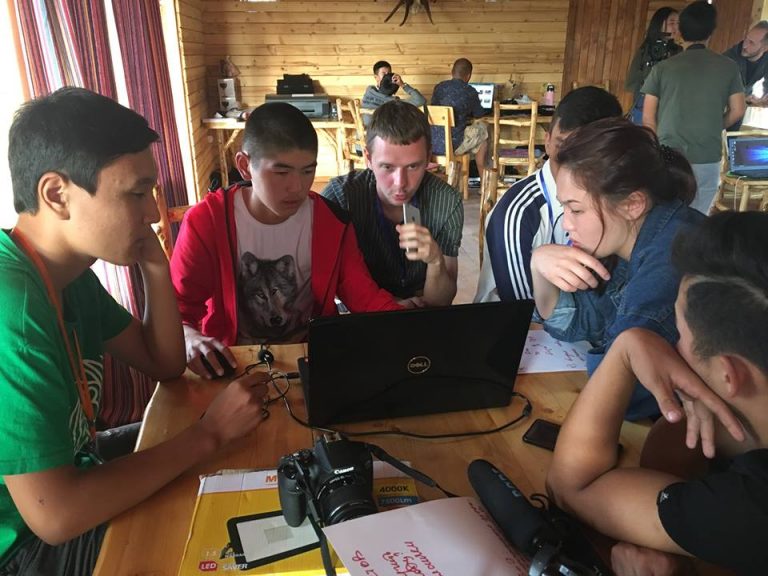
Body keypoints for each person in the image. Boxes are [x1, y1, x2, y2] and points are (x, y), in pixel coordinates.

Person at [0, 87, 271, 575]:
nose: (151, 213)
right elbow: (56, 516)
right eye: (136, 193)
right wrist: (208, 434)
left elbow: (163, 362)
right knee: (221, 534)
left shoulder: (66, 274)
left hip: (75, 474)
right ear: (57, 194)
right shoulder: (12, 306)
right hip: (21, 546)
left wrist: (156, 267)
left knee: (240, 467)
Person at [547, 211, 768, 575]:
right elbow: (677, 450)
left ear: (729, 375)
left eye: (679, 335)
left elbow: (572, 488)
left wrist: (627, 348)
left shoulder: (747, 509)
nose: (671, 347)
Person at [171, 102, 401, 378]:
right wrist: (189, 337)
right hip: (232, 365)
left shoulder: (331, 222)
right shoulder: (207, 221)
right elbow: (178, 310)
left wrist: (407, 324)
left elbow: (364, 296)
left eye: (308, 171)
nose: (297, 187)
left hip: (313, 364)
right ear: (244, 166)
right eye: (281, 172)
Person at [531, 118, 703, 420]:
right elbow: (581, 322)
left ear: (632, 204)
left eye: (576, 209)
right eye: (564, 208)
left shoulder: (668, 261)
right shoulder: (628, 239)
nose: (567, 224)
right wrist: (539, 264)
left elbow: (619, 393)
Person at [475, 86, 623, 303]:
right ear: (547, 142)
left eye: (585, 153)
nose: (570, 162)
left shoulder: (621, 203)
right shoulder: (517, 214)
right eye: (562, 147)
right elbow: (521, 314)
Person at [322, 99, 462, 307]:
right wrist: (389, 306)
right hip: (362, 312)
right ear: (368, 158)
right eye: (387, 167)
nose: (400, 183)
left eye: (413, 166)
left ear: (428, 159)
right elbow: (330, 285)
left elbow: (441, 302)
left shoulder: (447, 201)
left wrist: (435, 261)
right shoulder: (340, 197)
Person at [642, 1, 745, 214]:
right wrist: (714, 125)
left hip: (669, 155)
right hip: (707, 155)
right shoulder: (728, 67)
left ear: (680, 31)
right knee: (698, 217)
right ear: (712, 31)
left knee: (664, 214)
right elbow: (738, 110)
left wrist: (655, 149)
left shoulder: (663, 68)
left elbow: (648, 118)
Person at [430, 57, 489, 177]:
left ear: (452, 72)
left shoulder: (439, 88)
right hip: (453, 145)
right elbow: (479, 114)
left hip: (433, 143)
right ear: (468, 76)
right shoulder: (470, 91)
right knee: (484, 131)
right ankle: (484, 179)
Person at [624, 7, 682, 125]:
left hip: (668, 105)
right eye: (671, 23)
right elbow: (634, 81)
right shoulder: (646, 49)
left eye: (678, 23)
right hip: (644, 102)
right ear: (659, 24)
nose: (676, 27)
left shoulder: (678, 51)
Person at [723, 20, 768, 129]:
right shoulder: (728, 59)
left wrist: (762, 101)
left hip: (741, 108)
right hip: (720, 107)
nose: (745, 45)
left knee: (732, 137)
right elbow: (716, 91)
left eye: (751, 42)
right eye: (746, 39)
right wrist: (743, 99)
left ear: (765, 48)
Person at [361, 60, 426, 126]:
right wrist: (403, 85)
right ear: (376, 77)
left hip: (366, 131)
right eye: (384, 74)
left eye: (389, 73)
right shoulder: (394, 103)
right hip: (383, 131)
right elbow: (420, 100)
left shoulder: (369, 92)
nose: (387, 76)